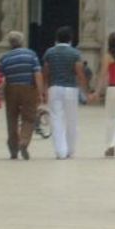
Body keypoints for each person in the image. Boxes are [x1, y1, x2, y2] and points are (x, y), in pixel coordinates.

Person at [42, 26, 90, 160]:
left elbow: (46, 72)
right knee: (71, 120)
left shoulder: (49, 52)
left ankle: (60, 150)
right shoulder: (75, 53)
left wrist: (44, 90)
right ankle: (70, 150)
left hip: (54, 87)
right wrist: (86, 91)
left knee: (56, 119)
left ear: (56, 39)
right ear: (70, 39)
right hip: (70, 89)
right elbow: (80, 73)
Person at [0, 30, 44, 160]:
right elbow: (37, 74)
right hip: (28, 88)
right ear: (22, 42)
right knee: (29, 118)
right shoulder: (31, 54)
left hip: (11, 89)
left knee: (11, 119)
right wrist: (40, 92)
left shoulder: (4, 57)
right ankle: (23, 142)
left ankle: (13, 149)